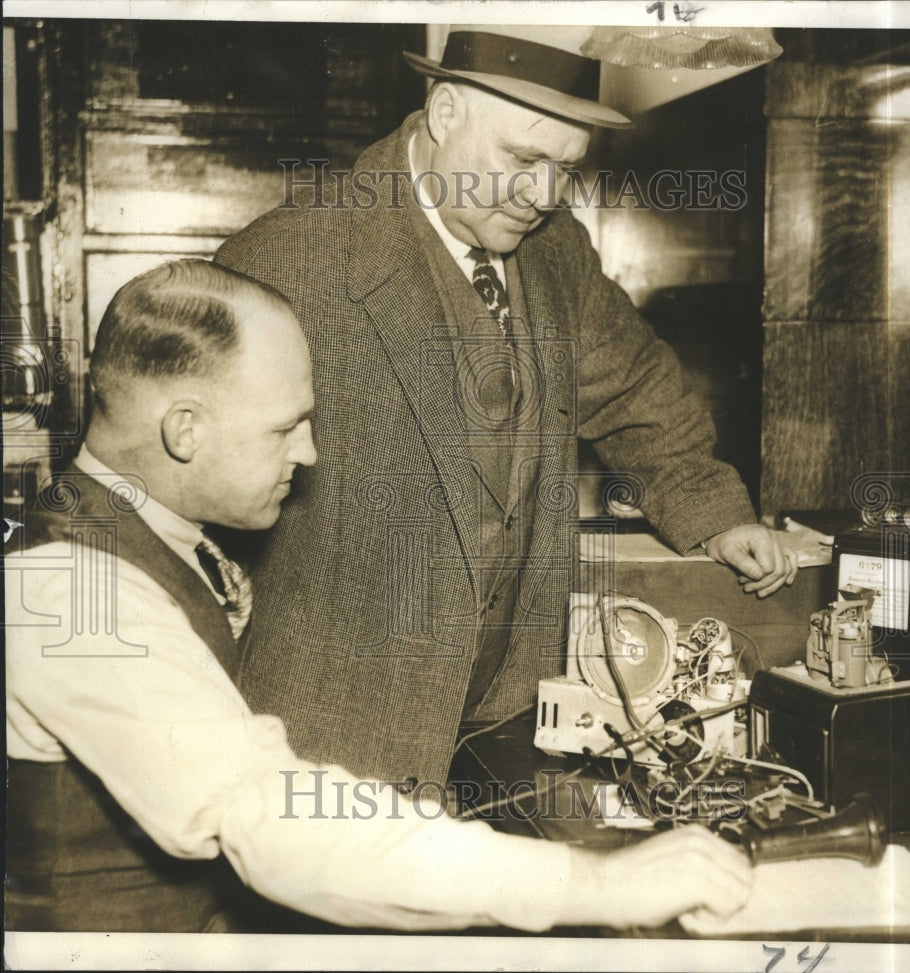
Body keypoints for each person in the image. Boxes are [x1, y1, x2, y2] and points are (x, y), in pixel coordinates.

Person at [5, 258, 752, 934]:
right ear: (185, 431)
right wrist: (594, 881)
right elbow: (270, 817)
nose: (309, 451)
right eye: (286, 426)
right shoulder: (69, 589)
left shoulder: (153, 529)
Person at [215, 25, 798, 787]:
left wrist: (715, 512)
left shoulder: (557, 252)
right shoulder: (284, 260)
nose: (545, 194)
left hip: (501, 720)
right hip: (329, 729)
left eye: (565, 167)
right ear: (446, 111)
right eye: (523, 159)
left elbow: (634, 388)